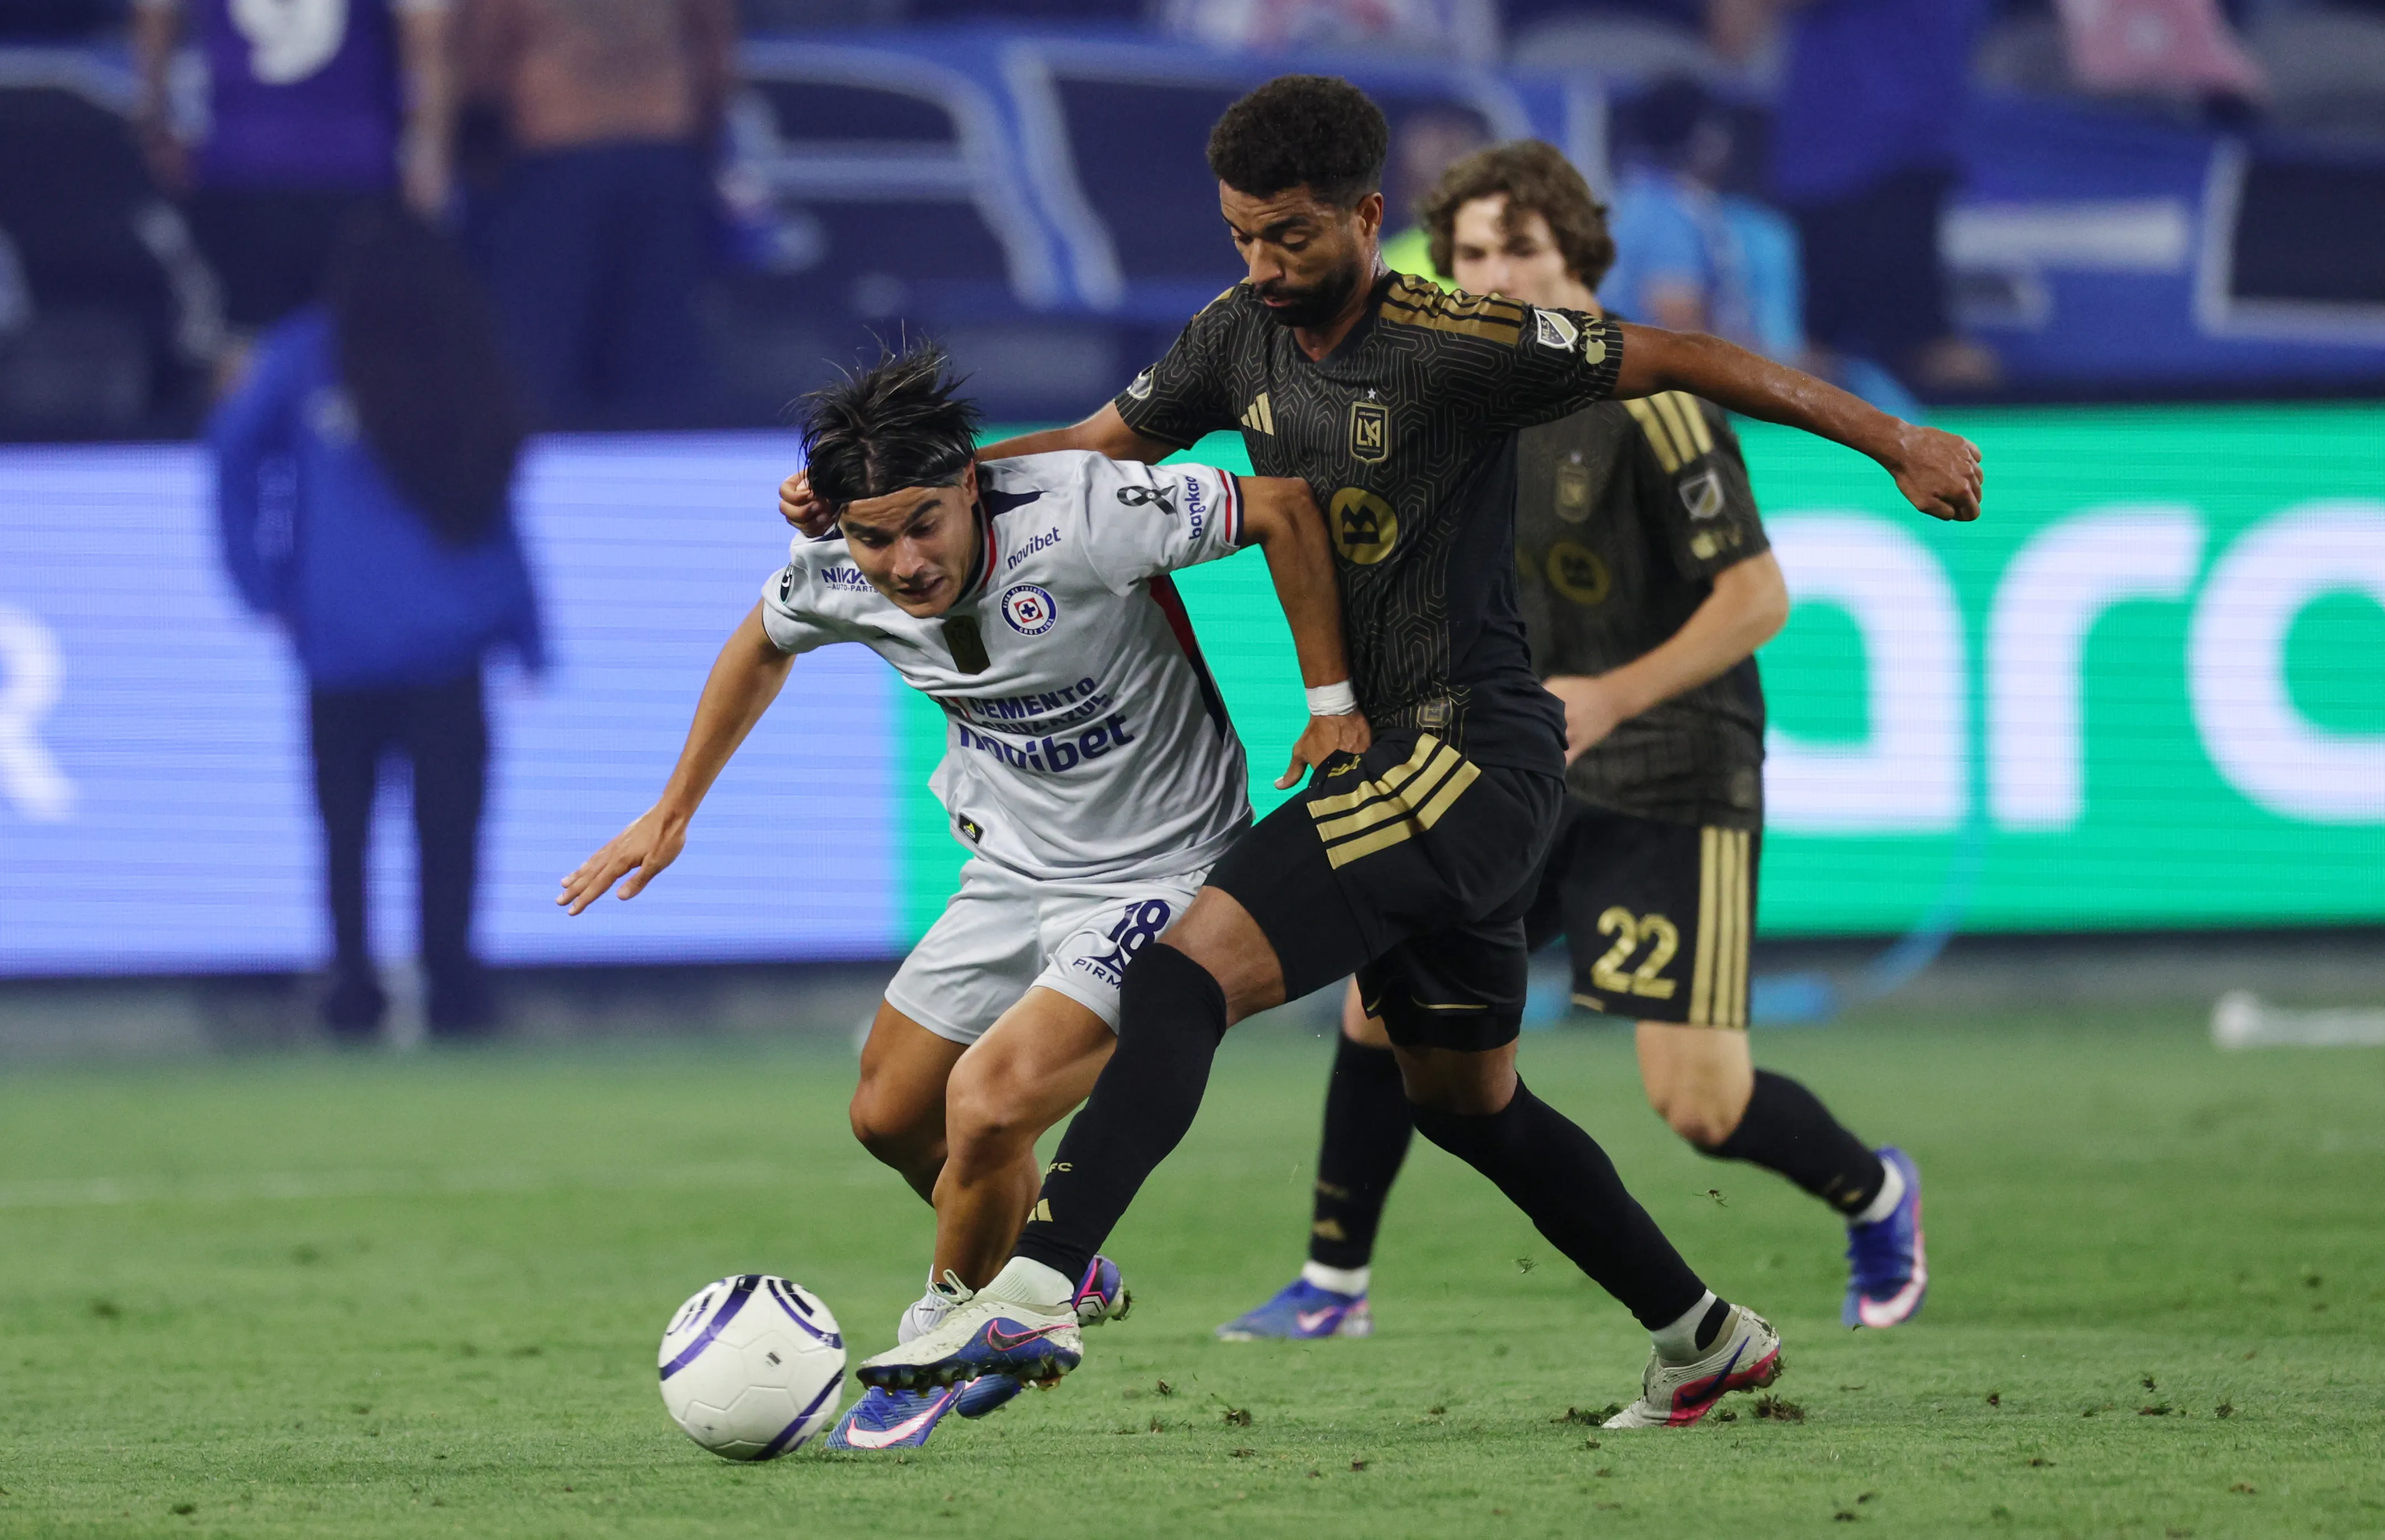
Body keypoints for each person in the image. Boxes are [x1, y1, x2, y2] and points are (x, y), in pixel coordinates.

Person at [789, 75, 1978, 1430]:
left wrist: (1893, 438)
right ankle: (1698, 1334)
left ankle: (1043, 1280)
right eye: (1240, 234)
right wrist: (914, 483)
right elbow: (1089, 450)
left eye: (1289, 235)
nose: (1261, 264)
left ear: (1363, 217)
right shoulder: (1236, 334)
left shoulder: (1453, 340)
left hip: (1459, 748)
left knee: (1182, 973)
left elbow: (1675, 357)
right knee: (1467, 1104)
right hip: (1413, 767)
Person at [559, 343, 1364, 1449]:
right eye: (873, 535)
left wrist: (1328, 700)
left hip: (1159, 869)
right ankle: (1049, 1270)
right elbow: (760, 642)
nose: (902, 561)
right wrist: (673, 809)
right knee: (888, 1114)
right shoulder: (837, 562)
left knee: (986, 1104)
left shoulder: (1082, 513)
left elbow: (1277, 504)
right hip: (1011, 866)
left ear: (971, 488)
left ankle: (940, 1337)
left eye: (923, 523)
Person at [1217, 139, 1926, 1351]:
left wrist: (1609, 695)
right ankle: (1332, 1286)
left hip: (1672, 772)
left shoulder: (1650, 398)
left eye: (1520, 250)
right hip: (1513, 767)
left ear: (1577, 256)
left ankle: (1875, 1193)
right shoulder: (1455, 385)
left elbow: (1756, 600)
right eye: (1473, 254)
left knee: (1697, 1105)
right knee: (1380, 1008)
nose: (1494, 275)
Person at [212, 210, 541, 1039]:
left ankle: (358, 989)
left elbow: (229, 455)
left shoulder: (309, 349)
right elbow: (496, 507)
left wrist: (266, 581)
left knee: (351, 833)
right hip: (432, 638)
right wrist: (524, 624)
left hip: (349, 642)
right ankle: (450, 988)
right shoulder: (451, 345)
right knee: (444, 833)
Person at [454, 0, 735, 427]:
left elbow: (483, 62)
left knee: (541, 362)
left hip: (559, 154)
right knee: (655, 365)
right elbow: (716, 53)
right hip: (657, 149)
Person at [133, 0, 453, 374]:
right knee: (362, 350)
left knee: (246, 350)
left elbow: (153, 18)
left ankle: (245, 432)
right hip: (354, 169)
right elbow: (428, 38)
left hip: (241, 164)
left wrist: (155, 120)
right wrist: (430, 155)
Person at [1752, 0, 2001, 392]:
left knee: (1925, 350)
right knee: (1817, 348)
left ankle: (1997, 446)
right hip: (1864, 157)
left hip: (1870, 159)